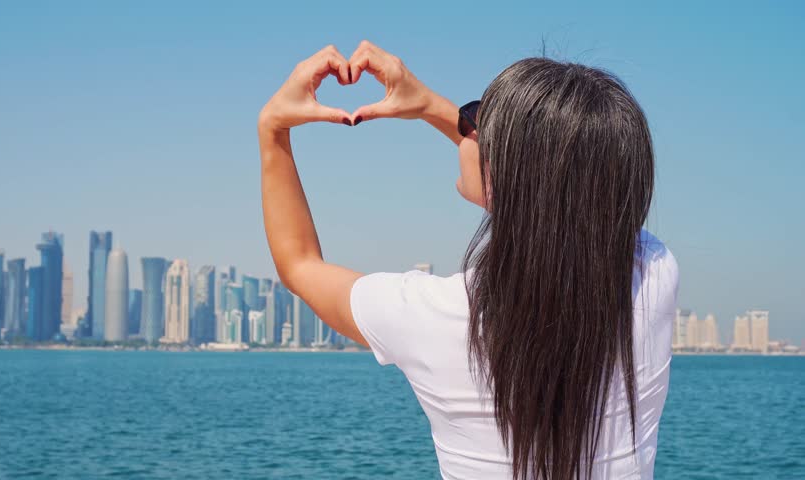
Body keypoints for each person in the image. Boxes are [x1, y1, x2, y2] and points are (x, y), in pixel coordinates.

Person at [258, 41, 679, 480]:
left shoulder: (435, 315)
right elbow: (562, 199)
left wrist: (273, 129)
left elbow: (299, 263)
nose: (465, 128)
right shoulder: (653, 275)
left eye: (475, 119)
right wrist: (428, 105)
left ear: (498, 173)